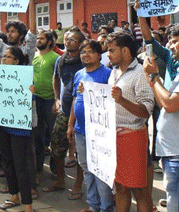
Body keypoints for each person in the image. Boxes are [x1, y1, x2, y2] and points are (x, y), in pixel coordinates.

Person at [107, 31, 154, 212]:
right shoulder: (114, 72)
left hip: (133, 137)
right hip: (115, 138)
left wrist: (122, 100)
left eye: (112, 50)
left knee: (140, 190)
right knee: (120, 187)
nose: (108, 54)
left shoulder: (140, 74)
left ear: (125, 51)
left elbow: (146, 112)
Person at [67, 39, 114, 212]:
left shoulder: (107, 74)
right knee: (87, 168)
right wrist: (70, 124)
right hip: (80, 130)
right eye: (82, 52)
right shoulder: (79, 74)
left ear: (98, 55)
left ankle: (106, 207)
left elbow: (111, 100)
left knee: (101, 171)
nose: (85, 55)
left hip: (100, 132)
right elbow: (74, 100)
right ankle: (93, 205)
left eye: (89, 51)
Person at [43, 29, 84, 200]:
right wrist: (56, 98)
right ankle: (60, 180)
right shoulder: (61, 60)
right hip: (64, 111)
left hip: (82, 114)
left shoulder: (84, 60)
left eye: (73, 39)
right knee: (57, 147)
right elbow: (56, 79)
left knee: (81, 153)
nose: (68, 42)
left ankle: (78, 185)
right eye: (66, 39)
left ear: (81, 43)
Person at [143, 24, 179, 212]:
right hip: (171, 149)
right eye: (170, 41)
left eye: (176, 42)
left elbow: (170, 105)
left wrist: (154, 75)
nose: (171, 46)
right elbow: (162, 102)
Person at [0, 46, 36, 212]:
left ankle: (28, 205)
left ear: (17, 61)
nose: (4, 59)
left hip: (19, 128)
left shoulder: (25, 77)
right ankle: (14, 195)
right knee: (7, 162)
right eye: (3, 57)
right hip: (3, 125)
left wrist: (31, 92)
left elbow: (30, 100)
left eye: (8, 57)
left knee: (21, 166)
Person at [32, 30, 59, 172]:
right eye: (38, 38)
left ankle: (55, 168)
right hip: (36, 100)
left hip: (50, 101)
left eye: (42, 38)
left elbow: (58, 80)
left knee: (54, 135)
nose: (39, 40)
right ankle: (38, 166)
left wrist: (56, 100)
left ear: (49, 41)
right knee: (38, 136)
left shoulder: (55, 58)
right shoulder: (33, 57)